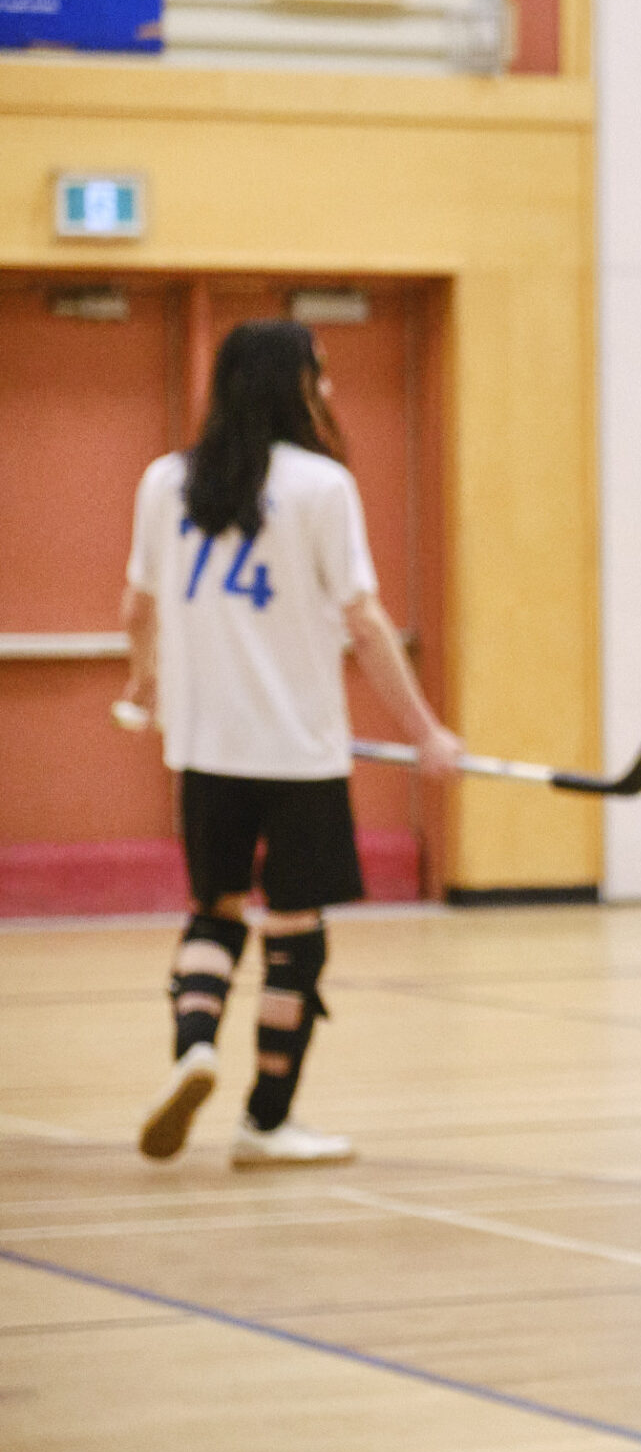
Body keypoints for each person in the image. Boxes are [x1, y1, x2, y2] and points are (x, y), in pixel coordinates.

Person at [123, 319, 461, 1167]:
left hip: (204, 747)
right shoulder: (321, 485)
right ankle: (266, 1120)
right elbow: (364, 621)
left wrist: (143, 680)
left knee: (215, 908)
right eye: (321, 373)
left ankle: (194, 1045)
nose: (330, 389)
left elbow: (138, 606)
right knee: (295, 931)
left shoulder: (165, 480)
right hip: (298, 751)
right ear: (292, 384)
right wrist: (425, 731)